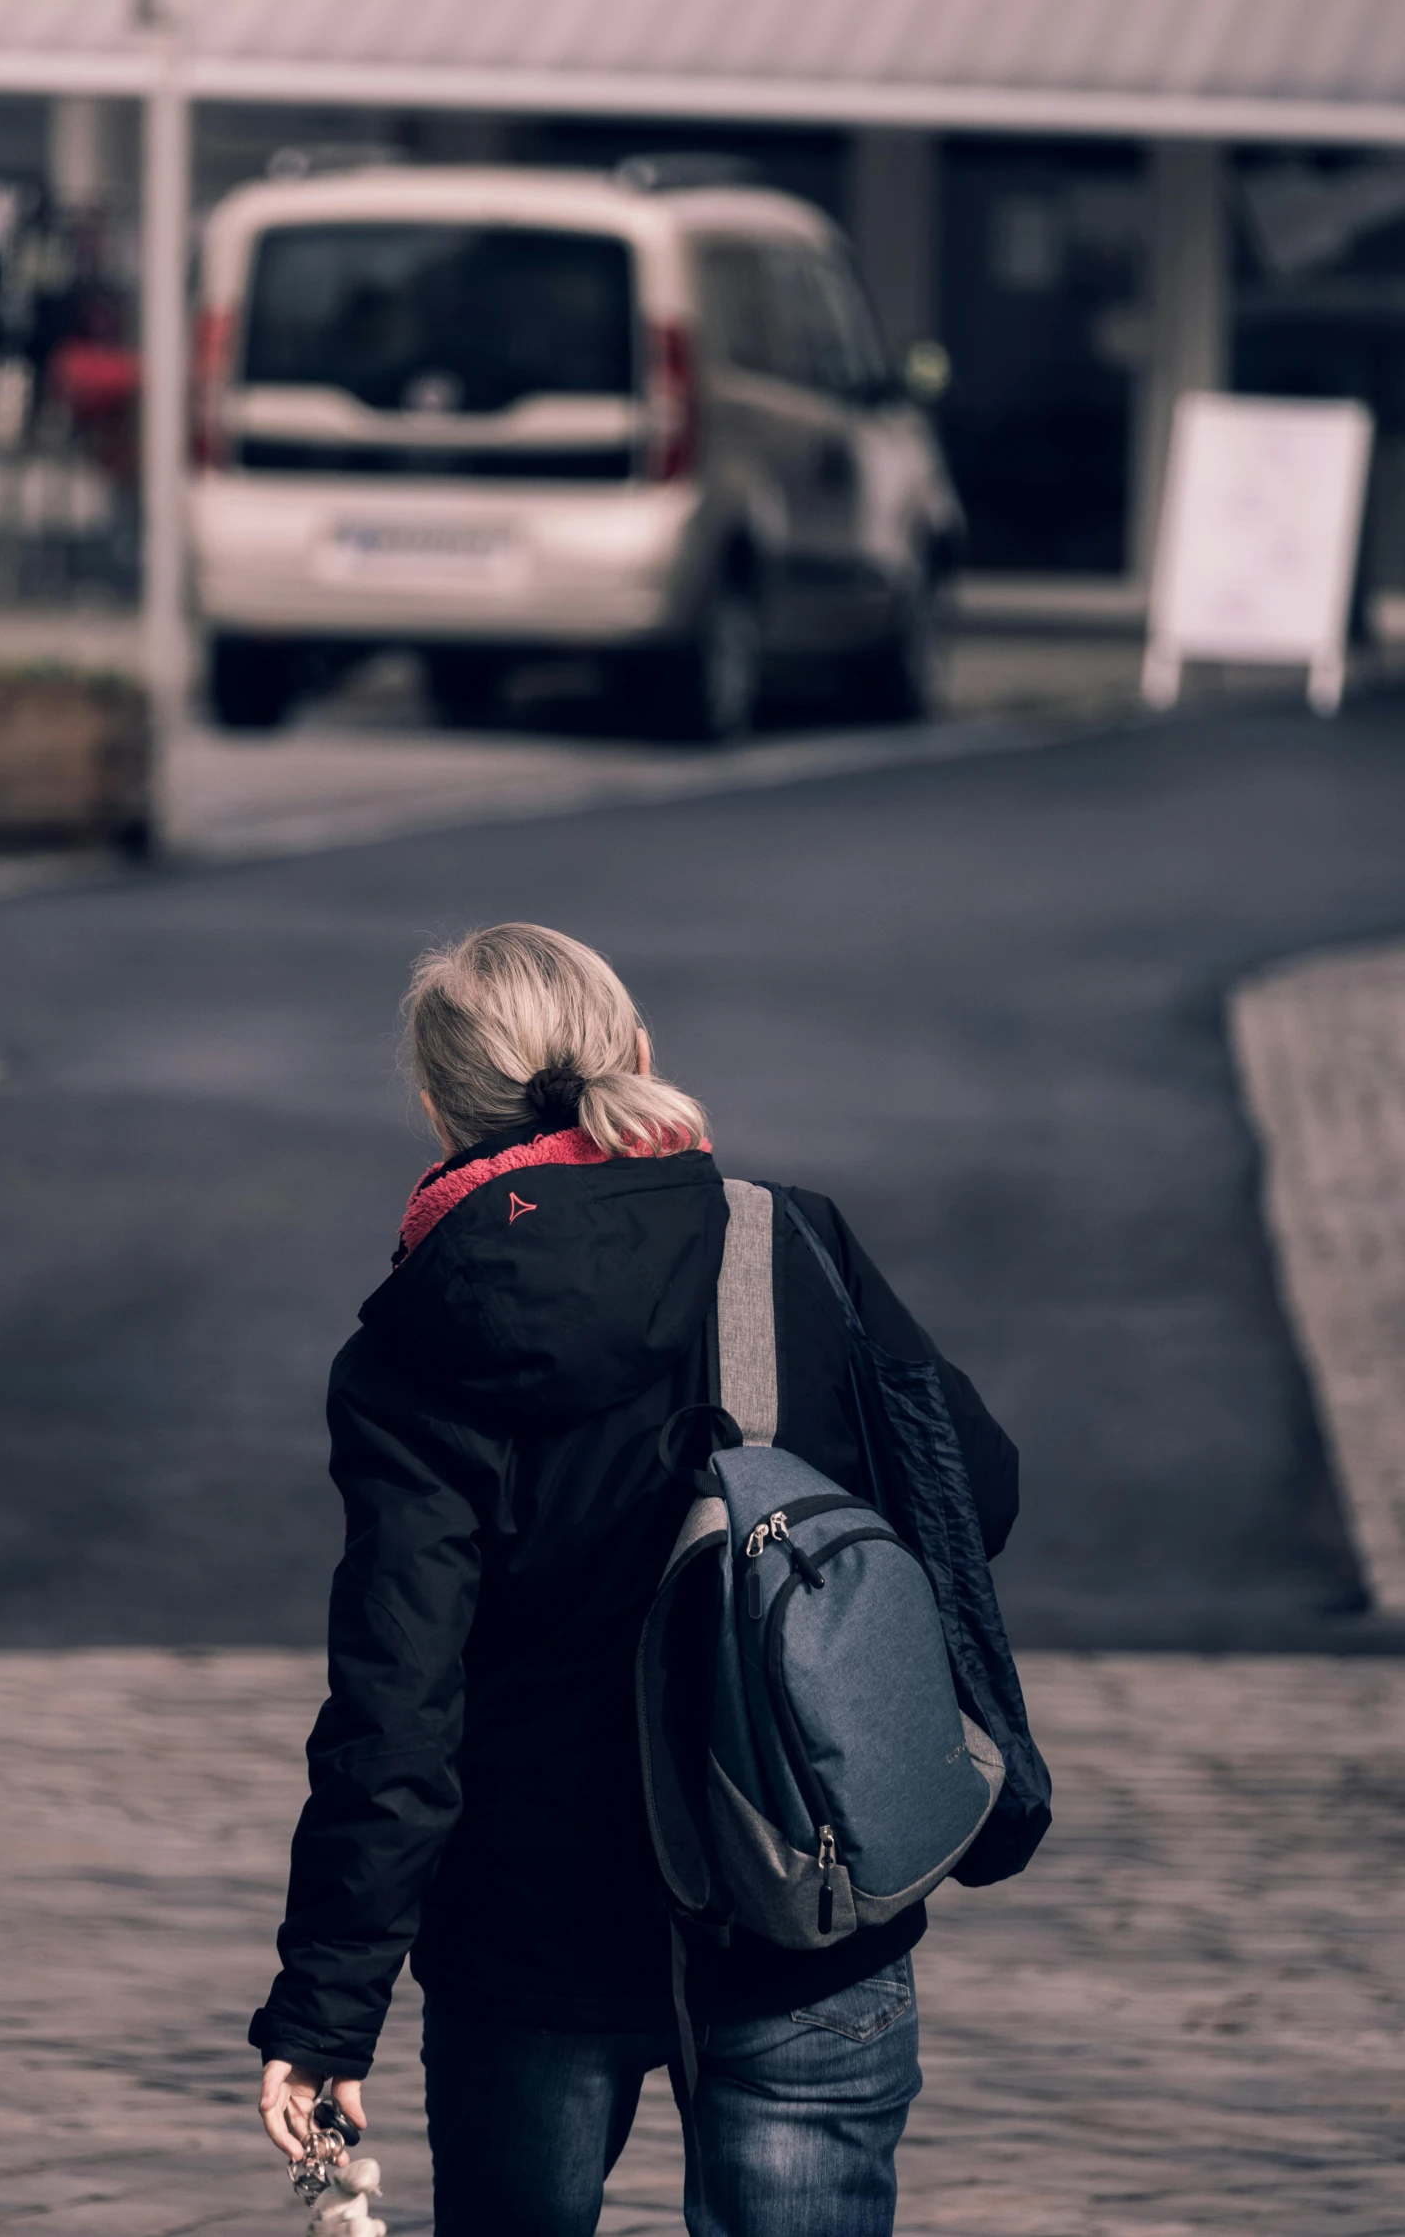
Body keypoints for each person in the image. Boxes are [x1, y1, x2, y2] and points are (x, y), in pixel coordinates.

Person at [253, 923, 1023, 2236]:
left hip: (532, 1933)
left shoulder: (416, 1346)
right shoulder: (787, 1244)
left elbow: (396, 1711)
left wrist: (326, 2011)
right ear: (640, 1056)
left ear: (438, 1107)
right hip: (807, 1882)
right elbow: (975, 1495)